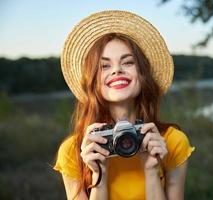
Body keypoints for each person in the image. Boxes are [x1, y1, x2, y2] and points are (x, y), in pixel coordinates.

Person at [54, 10, 195, 200]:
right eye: (104, 66)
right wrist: (99, 175)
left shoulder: (172, 142)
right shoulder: (75, 150)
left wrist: (152, 170)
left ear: (142, 74)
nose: (117, 70)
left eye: (128, 62)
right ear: (93, 80)